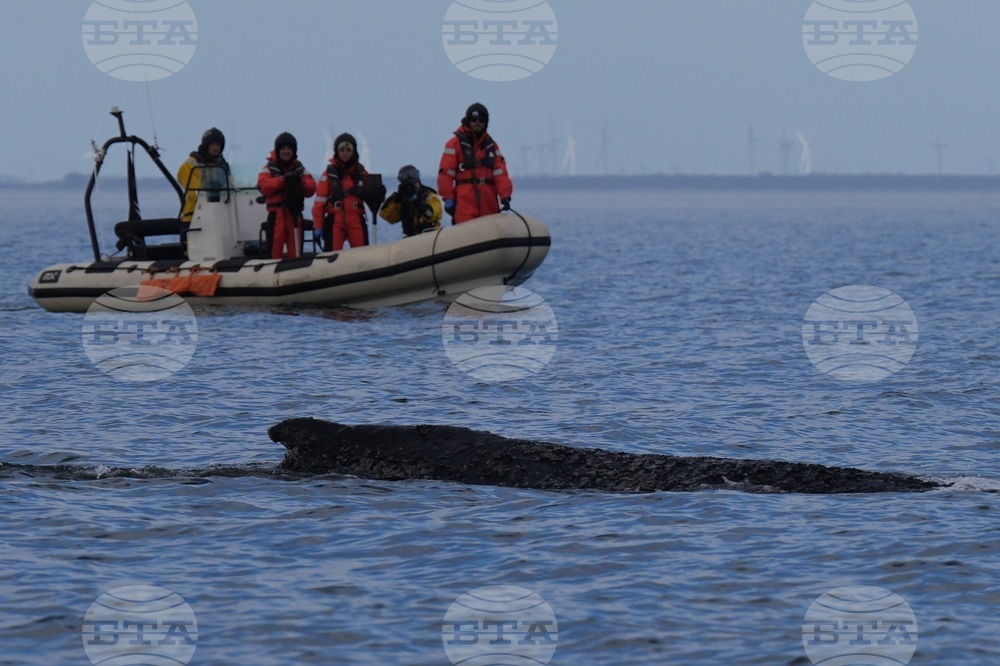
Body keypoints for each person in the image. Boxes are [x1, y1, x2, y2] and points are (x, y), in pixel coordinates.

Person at [437, 102, 513, 223]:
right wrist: (448, 198)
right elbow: (445, 174)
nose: (477, 122)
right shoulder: (454, 144)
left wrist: (505, 196)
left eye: (481, 119)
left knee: (490, 228)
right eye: (474, 119)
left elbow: (501, 174)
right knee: (465, 231)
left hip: (488, 202)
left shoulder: (492, 146)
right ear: (468, 120)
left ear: (486, 122)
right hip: (464, 200)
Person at [312, 133, 382, 251]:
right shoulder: (328, 175)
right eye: (342, 150)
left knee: (362, 255)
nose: (345, 153)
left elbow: (375, 198)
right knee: (332, 256)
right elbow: (319, 204)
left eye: (348, 150)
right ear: (337, 152)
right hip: (335, 220)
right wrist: (318, 225)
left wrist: (379, 193)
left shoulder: (362, 174)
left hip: (356, 220)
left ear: (353, 152)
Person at [257, 132, 316, 259]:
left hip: (294, 215)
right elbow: (264, 186)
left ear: (294, 151)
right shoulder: (268, 168)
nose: (286, 151)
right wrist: (283, 180)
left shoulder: (300, 169)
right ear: (278, 150)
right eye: (283, 148)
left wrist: (297, 181)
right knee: (274, 255)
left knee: (296, 254)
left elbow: (311, 188)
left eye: (289, 148)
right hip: (276, 215)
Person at [177, 127, 231, 225]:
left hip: (220, 213)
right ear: (206, 145)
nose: (215, 148)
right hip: (194, 215)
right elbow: (193, 189)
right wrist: (207, 190)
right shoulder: (193, 162)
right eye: (212, 145)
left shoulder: (223, 166)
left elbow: (231, 185)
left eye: (218, 145)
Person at [378, 165, 443, 237]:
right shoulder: (402, 199)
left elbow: (432, 214)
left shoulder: (429, 195)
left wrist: (418, 203)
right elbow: (386, 215)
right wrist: (396, 200)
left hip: (430, 236)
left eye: (414, 184)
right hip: (410, 239)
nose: (412, 188)